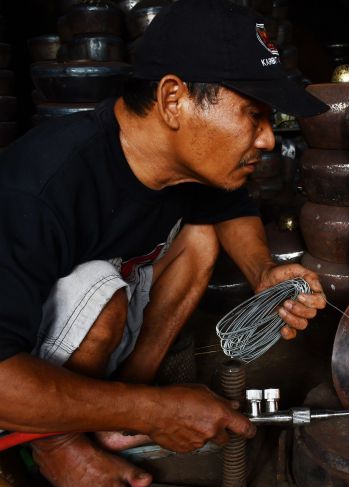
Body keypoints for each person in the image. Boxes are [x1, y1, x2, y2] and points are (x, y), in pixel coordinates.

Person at [0, 0, 329, 485]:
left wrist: (263, 272)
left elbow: (231, 209)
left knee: (199, 237)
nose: (266, 140)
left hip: (98, 338)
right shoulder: (38, 188)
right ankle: (56, 445)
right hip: (21, 374)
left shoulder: (191, 162)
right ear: (174, 100)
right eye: (252, 114)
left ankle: (118, 413)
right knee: (103, 288)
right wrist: (157, 412)